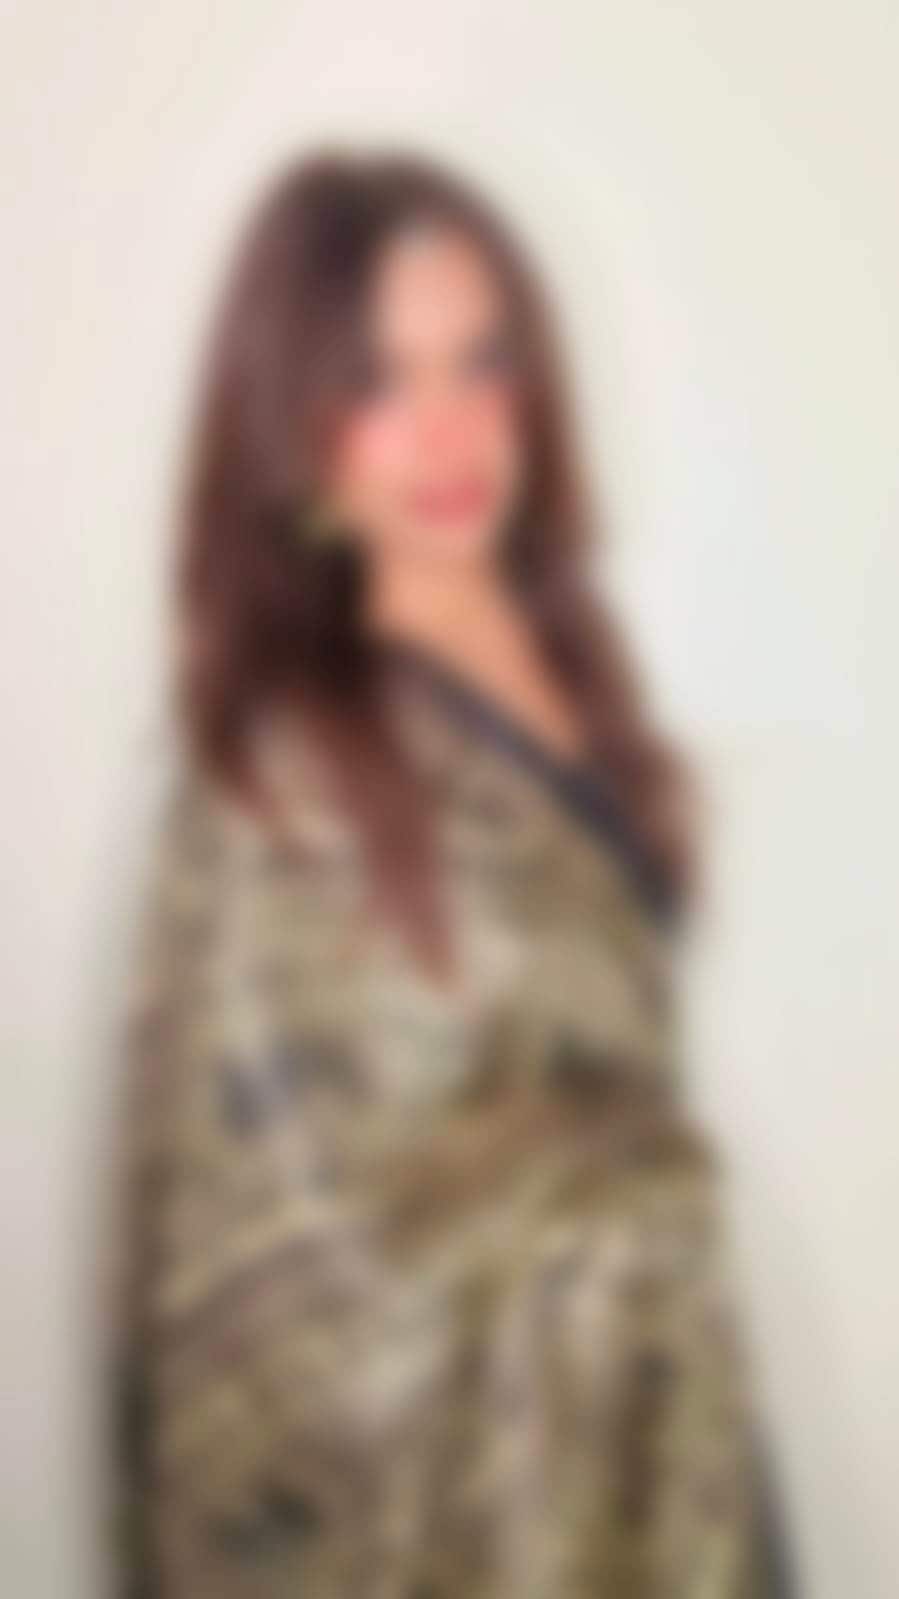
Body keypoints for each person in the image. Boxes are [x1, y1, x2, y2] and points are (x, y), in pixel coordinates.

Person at [107, 145, 798, 1597]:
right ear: (293, 426)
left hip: (658, 1437)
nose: (448, 434)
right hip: (461, 1524)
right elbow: (258, 1287)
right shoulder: (277, 777)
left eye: (482, 364)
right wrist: (596, 1237)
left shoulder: (574, 661)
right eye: (377, 382)